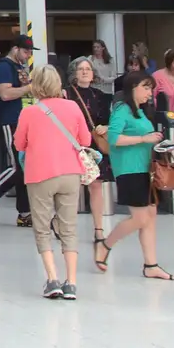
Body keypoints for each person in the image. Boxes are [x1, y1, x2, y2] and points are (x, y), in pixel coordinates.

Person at [13, 65, 93, 300]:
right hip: (70, 174)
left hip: (40, 175)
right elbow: (86, 139)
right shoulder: (73, 106)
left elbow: (19, 144)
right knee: (68, 228)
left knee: (42, 227)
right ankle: (72, 282)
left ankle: (52, 280)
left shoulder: (29, 112)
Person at [97, 74, 174, 281]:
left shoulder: (140, 112)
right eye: (146, 88)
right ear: (133, 88)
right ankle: (105, 245)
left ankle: (151, 264)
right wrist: (144, 138)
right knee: (140, 218)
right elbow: (114, 138)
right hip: (129, 169)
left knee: (150, 216)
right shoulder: (122, 109)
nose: (150, 93)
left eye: (151, 89)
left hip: (145, 169)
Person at [0, 35, 34, 226]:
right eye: (26, 51)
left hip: (20, 121)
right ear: (15, 49)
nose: (28, 55)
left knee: (23, 169)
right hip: (8, 122)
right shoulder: (4, 68)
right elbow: (5, 93)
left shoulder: (18, 68)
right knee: (15, 167)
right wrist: (29, 87)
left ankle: (25, 213)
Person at [64, 55, 113, 255]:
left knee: (96, 185)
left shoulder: (101, 95)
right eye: (81, 69)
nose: (85, 72)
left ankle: (99, 229)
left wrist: (105, 127)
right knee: (70, 187)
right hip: (73, 143)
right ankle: (66, 228)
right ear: (74, 73)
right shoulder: (66, 93)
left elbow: (110, 119)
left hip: (94, 143)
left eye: (88, 69)